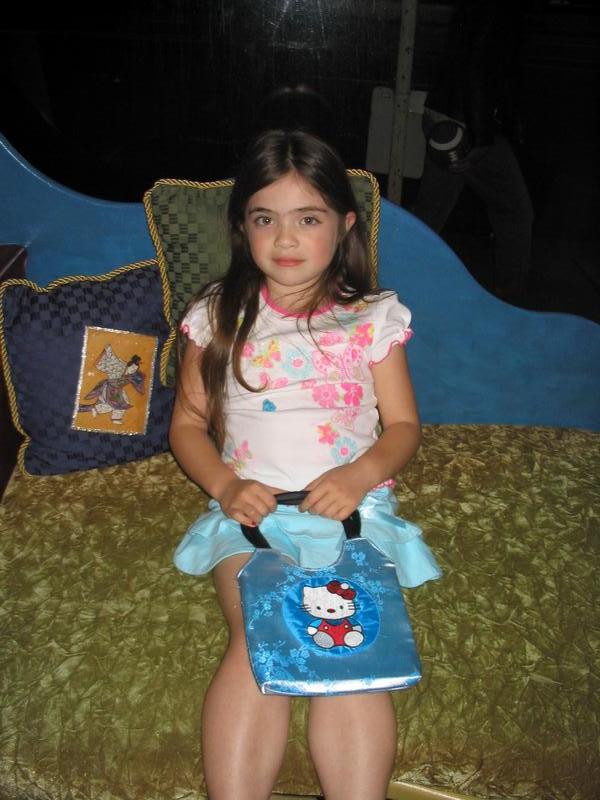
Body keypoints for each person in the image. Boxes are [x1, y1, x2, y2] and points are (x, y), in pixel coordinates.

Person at [169, 129, 441, 800]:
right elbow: (187, 427)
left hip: (352, 510)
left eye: (308, 219)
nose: (285, 238)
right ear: (242, 227)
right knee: (259, 633)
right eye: (265, 219)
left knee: (350, 646)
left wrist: (358, 477)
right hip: (250, 516)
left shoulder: (372, 318)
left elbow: (403, 427)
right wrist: (226, 484)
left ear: (344, 226)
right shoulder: (216, 315)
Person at [411, 0, 533, 304]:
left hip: (445, 117)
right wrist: (481, 135)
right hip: (465, 124)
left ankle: (387, 285)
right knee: (515, 211)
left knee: (429, 215)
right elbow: (478, 64)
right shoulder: (501, 8)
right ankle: (509, 303)